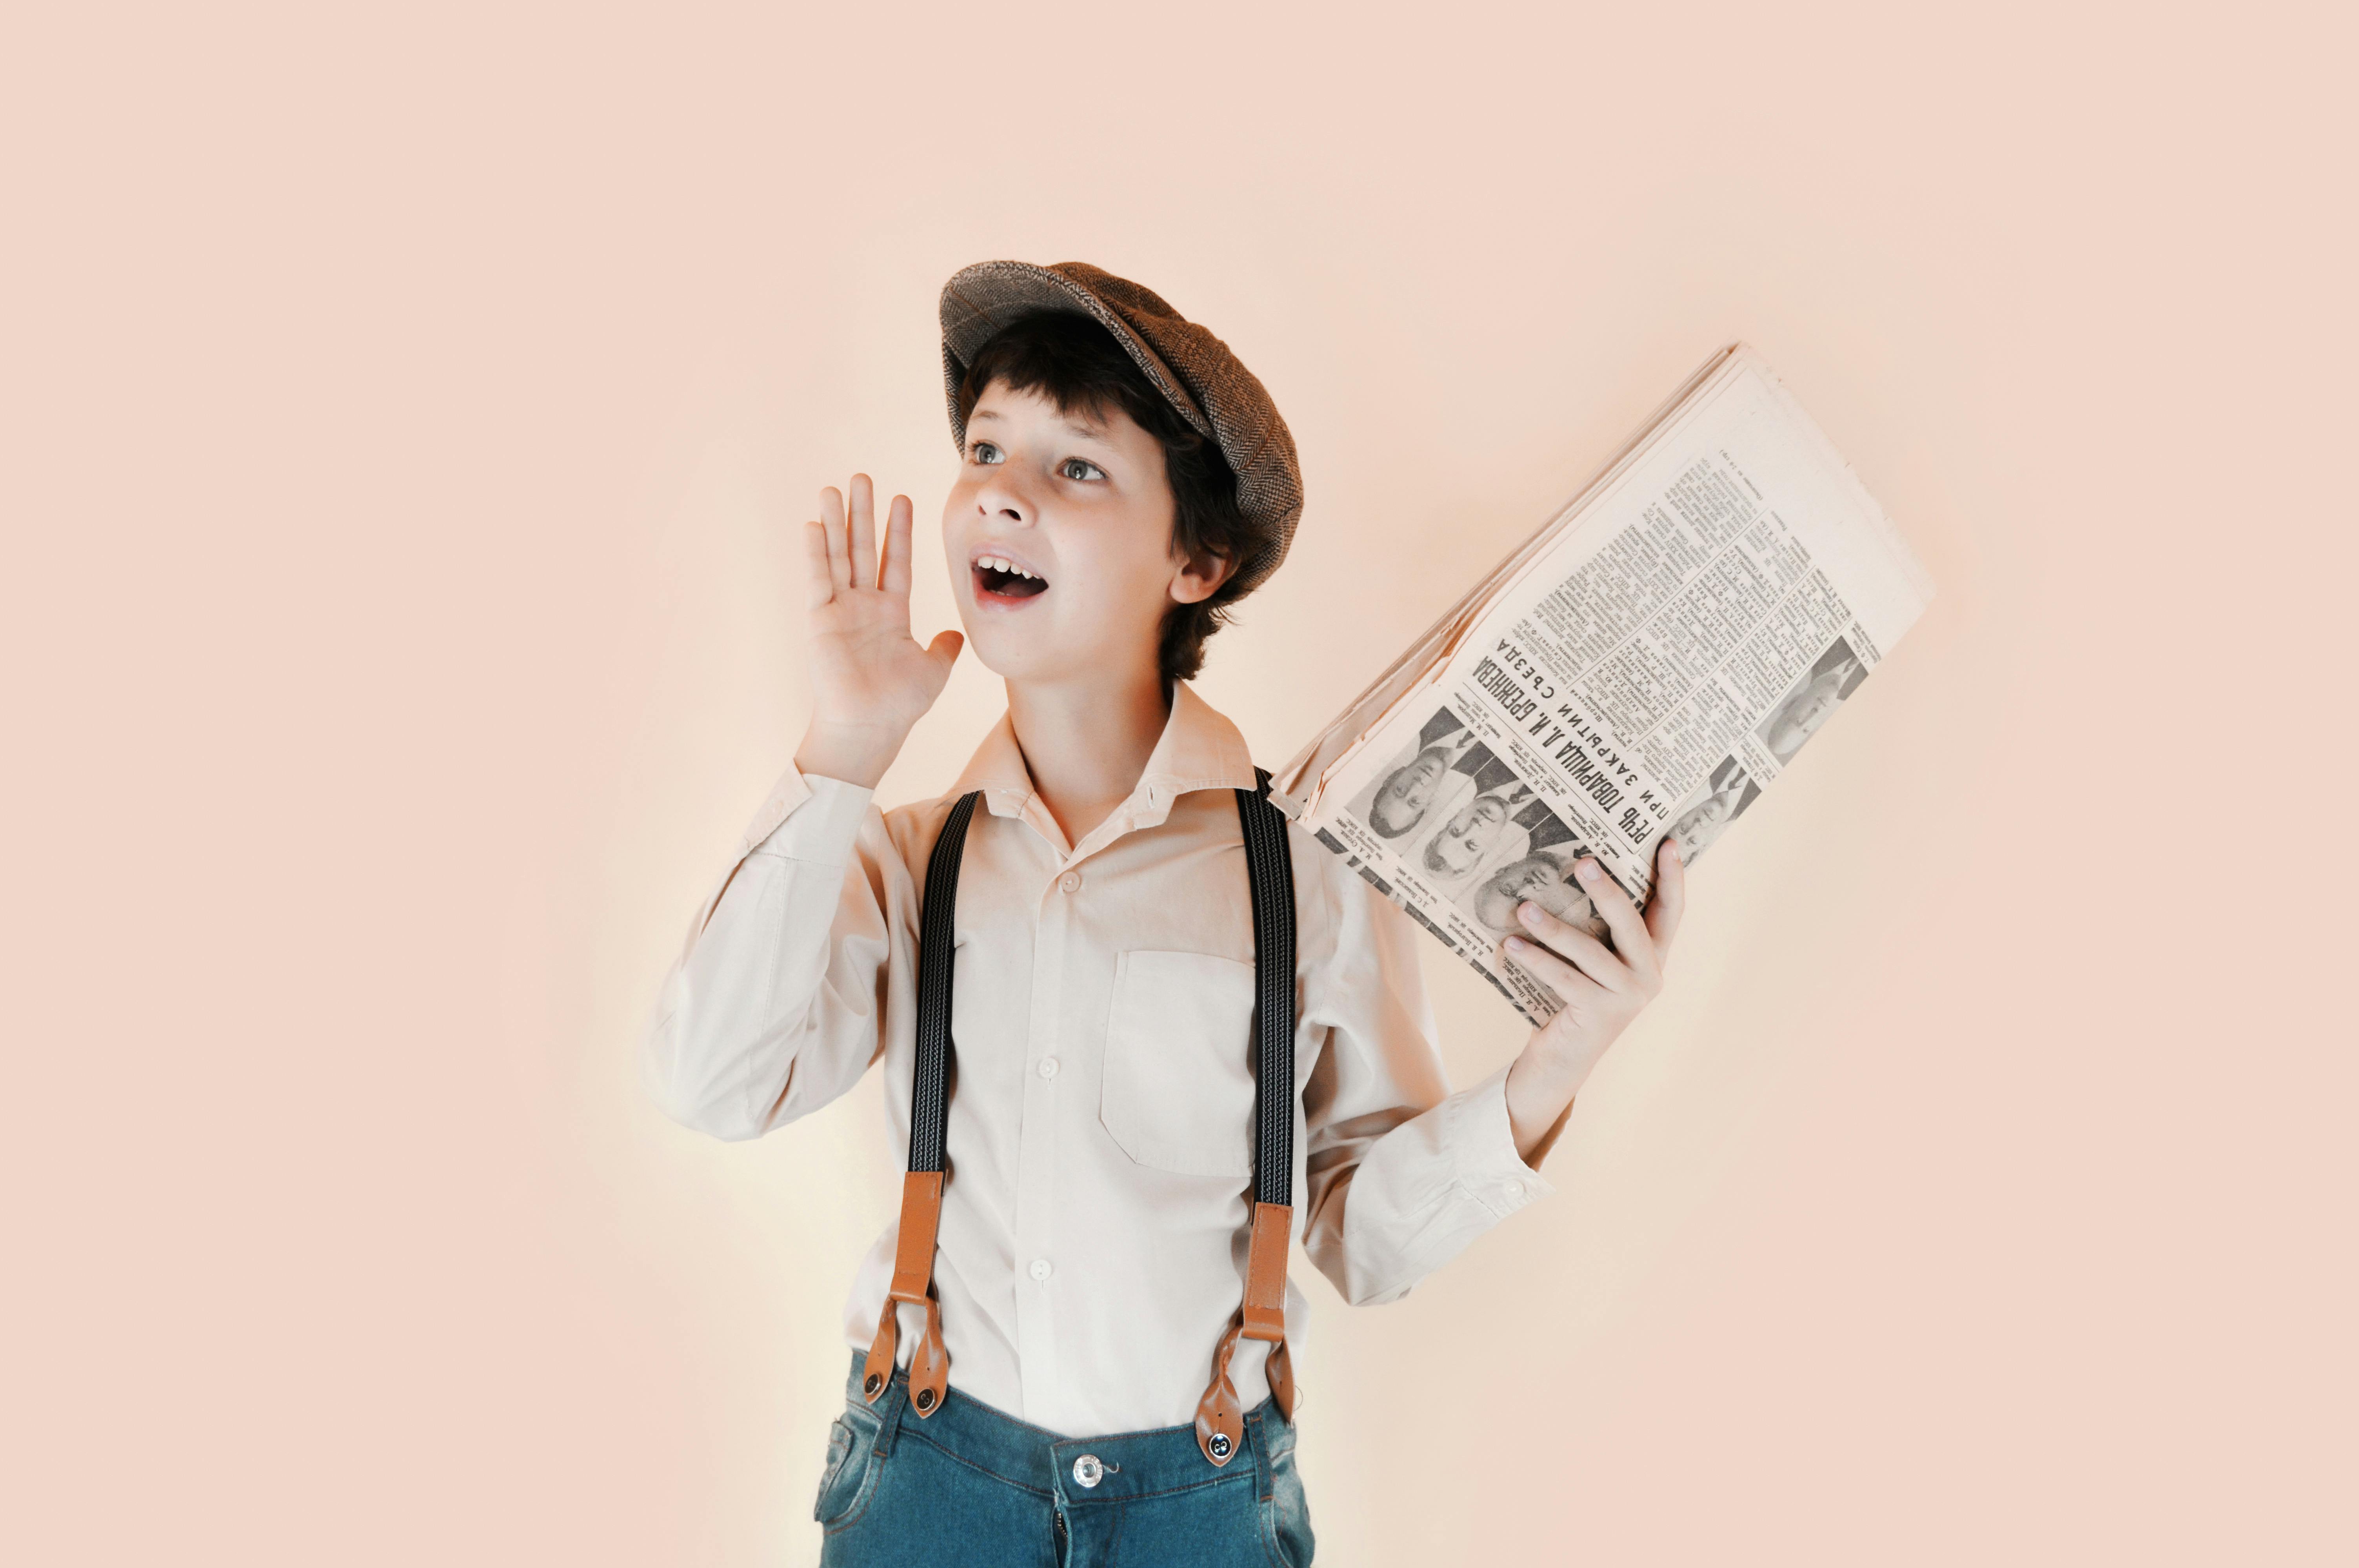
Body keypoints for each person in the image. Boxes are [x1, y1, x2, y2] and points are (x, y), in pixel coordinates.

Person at [641, 261, 1685, 1566]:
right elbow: (709, 1083)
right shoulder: (904, 862)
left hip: (1200, 1502)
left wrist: (1558, 1063)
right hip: (926, 1481)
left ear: (1197, 560)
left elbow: (1360, 1238)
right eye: (985, 448)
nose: (1004, 490)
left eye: (1077, 466)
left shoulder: (1303, 872)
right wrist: (843, 748)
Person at [1759, 644, 1864, 763]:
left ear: (1791, 704)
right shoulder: (1862, 697)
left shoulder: (1815, 650)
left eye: (1798, 721)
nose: (1814, 714)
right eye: (1806, 730)